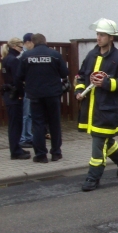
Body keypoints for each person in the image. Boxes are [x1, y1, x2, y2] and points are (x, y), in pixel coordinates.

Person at [74, 18, 118, 192]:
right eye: (97, 34)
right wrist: (79, 90)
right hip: (91, 108)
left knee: (98, 144)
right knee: (103, 140)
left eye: (102, 35)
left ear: (111, 37)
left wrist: (106, 83)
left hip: (108, 109)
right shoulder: (91, 55)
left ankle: (93, 178)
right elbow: (81, 75)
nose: (98, 38)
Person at [15, 33, 69, 163]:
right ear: (45, 41)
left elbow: (19, 76)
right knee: (54, 123)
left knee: (38, 124)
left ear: (33, 42)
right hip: (53, 94)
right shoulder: (55, 55)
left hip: (35, 95)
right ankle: (56, 153)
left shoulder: (26, 56)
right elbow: (64, 73)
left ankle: (41, 155)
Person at [0, 38, 30, 160]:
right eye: (20, 47)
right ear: (14, 47)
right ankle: (15, 151)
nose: (21, 49)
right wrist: (21, 93)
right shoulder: (14, 60)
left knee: (13, 123)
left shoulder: (5, 59)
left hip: (8, 93)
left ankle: (16, 148)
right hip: (14, 94)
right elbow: (17, 79)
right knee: (16, 124)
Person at [18, 33, 34, 148]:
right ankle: (24, 137)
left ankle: (28, 136)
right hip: (26, 88)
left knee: (29, 114)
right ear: (27, 42)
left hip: (29, 88)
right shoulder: (23, 55)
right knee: (26, 114)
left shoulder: (25, 55)